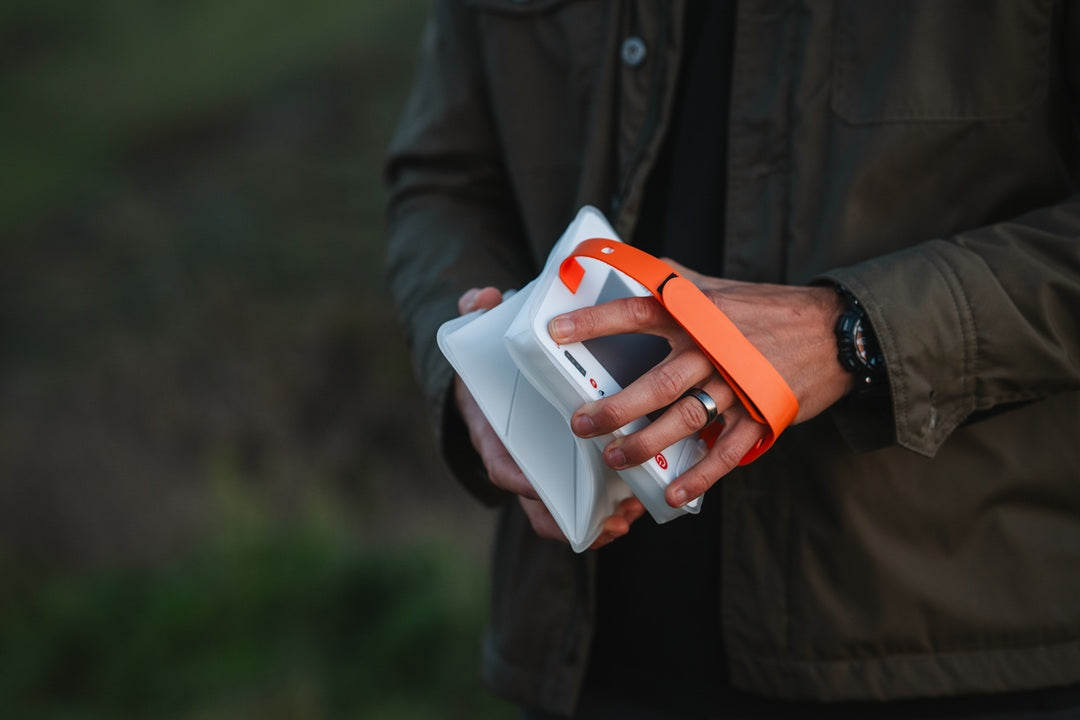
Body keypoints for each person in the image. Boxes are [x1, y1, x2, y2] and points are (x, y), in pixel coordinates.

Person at [385, 1, 1080, 718]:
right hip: (591, 654)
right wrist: (475, 373)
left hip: (953, 654)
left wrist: (854, 332)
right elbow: (445, 180)